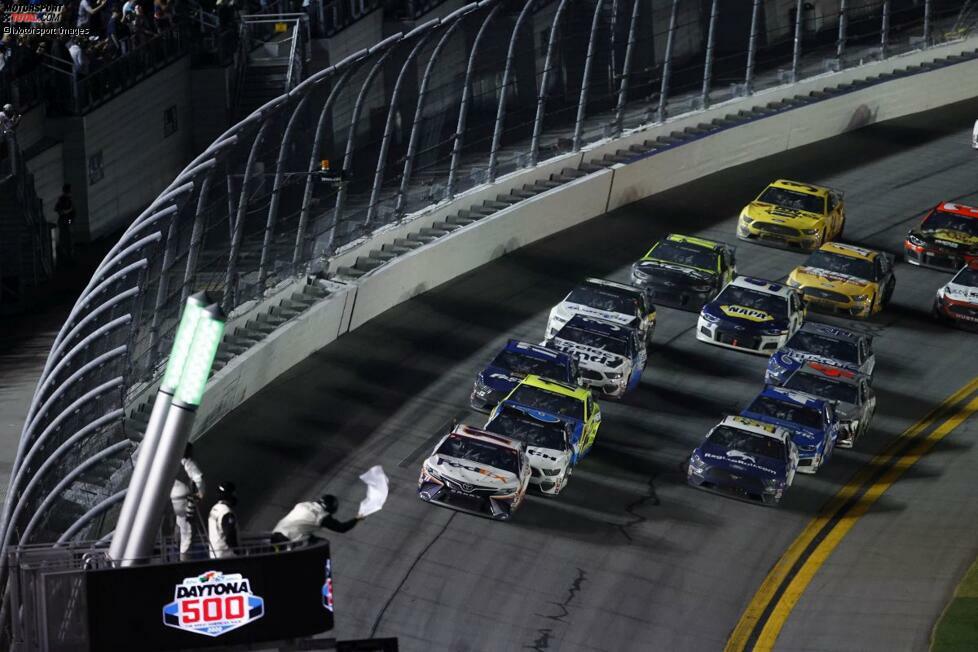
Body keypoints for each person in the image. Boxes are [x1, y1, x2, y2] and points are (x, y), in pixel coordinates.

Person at [270, 494, 362, 547]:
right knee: (319, 545)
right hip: (288, 539)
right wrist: (356, 519)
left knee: (309, 536)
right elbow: (342, 528)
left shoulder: (304, 504)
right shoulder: (322, 516)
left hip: (276, 531)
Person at [171, 442, 205, 560]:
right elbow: (199, 479)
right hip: (185, 500)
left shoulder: (173, 464)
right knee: (188, 534)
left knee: (180, 525)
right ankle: (184, 561)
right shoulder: (188, 463)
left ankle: (175, 550)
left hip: (174, 501)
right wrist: (200, 494)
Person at [208, 481, 238, 558]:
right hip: (226, 557)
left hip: (214, 555)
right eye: (233, 494)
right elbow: (230, 535)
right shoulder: (226, 512)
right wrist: (237, 552)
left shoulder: (214, 509)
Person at [54, 184, 76, 265]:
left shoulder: (67, 199)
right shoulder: (64, 200)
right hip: (65, 222)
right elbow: (60, 211)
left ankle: (68, 256)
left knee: (67, 239)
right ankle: (67, 257)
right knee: (67, 239)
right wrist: (69, 211)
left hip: (66, 221)